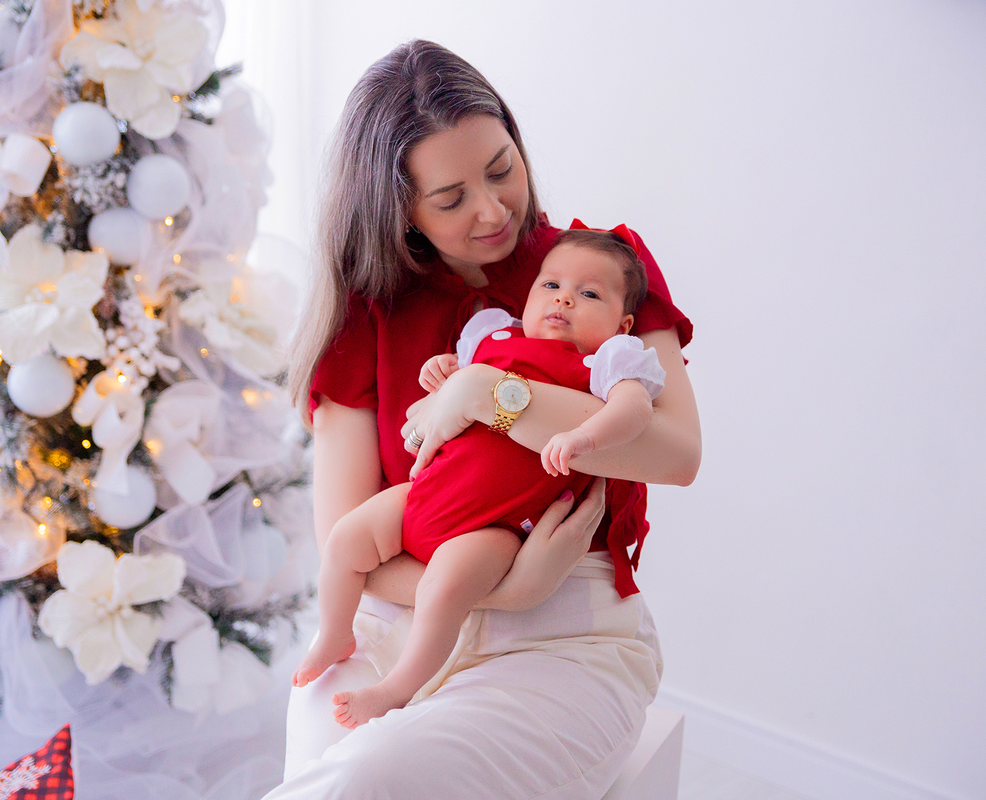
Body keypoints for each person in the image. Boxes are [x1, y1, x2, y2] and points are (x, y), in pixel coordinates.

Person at [271, 39, 700, 800]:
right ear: (394, 206)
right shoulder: (365, 314)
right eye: (450, 198)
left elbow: (673, 453)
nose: (494, 209)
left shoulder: (600, 270)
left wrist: (484, 396)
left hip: (566, 639)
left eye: (502, 168)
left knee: (367, 780)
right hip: (390, 628)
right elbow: (347, 537)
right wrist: (505, 588)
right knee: (329, 778)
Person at [291, 226, 669, 730]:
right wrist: (439, 374)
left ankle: (395, 689)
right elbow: (445, 400)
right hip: (424, 493)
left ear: (622, 326)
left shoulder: (604, 365)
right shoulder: (493, 336)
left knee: (443, 591)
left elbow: (635, 411)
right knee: (345, 540)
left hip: (494, 528)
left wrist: (586, 438)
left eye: (589, 294)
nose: (564, 300)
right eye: (550, 285)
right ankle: (334, 634)